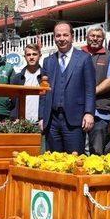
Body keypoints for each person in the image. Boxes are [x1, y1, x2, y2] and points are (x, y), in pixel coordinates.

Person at [39, 21, 96, 154]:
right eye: (58, 35)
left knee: (74, 162)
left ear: (72, 36)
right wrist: (41, 116)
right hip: (52, 121)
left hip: (75, 120)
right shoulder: (48, 61)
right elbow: (43, 92)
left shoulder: (84, 59)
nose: (62, 39)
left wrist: (89, 113)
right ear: (54, 37)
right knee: (53, 162)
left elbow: (90, 89)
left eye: (65, 35)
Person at [82, 25, 110, 155]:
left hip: (100, 112)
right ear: (87, 37)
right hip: (77, 111)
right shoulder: (78, 54)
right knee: (75, 152)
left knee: (96, 152)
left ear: (103, 39)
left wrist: (89, 94)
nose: (95, 39)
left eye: (98, 36)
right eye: (92, 36)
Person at [9, 43, 45, 121]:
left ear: (40, 56)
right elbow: (13, 101)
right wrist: (15, 117)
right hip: (21, 122)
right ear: (25, 57)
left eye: (34, 54)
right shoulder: (17, 78)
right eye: (28, 55)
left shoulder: (46, 77)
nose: (31, 57)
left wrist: (43, 119)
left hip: (40, 122)